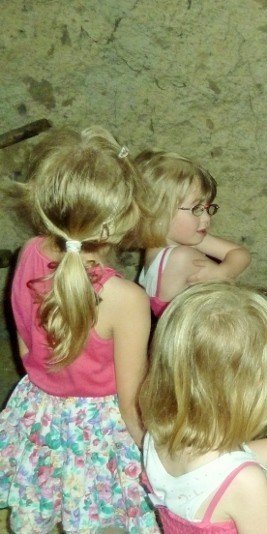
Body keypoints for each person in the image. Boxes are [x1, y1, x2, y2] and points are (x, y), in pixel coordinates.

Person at [0, 126, 159, 532]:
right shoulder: (126, 298)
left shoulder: (29, 251)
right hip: (99, 431)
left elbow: (24, 348)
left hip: (38, 411)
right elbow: (129, 400)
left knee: (42, 499)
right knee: (98, 514)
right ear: (113, 225)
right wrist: (154, 458)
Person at [139, 282, 267, 533]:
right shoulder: (246, 484)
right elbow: (236, 473)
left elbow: (230, 462)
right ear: (256, 388)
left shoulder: (159, 435)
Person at [135, 150, 251, 317]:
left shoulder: (171, 242)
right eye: (196, 209)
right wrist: (225, 275)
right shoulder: (182, 256)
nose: (207, 217)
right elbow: (226, 299)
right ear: (160, 213)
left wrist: (223, 272)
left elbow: (240, 254)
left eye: (207, 208)